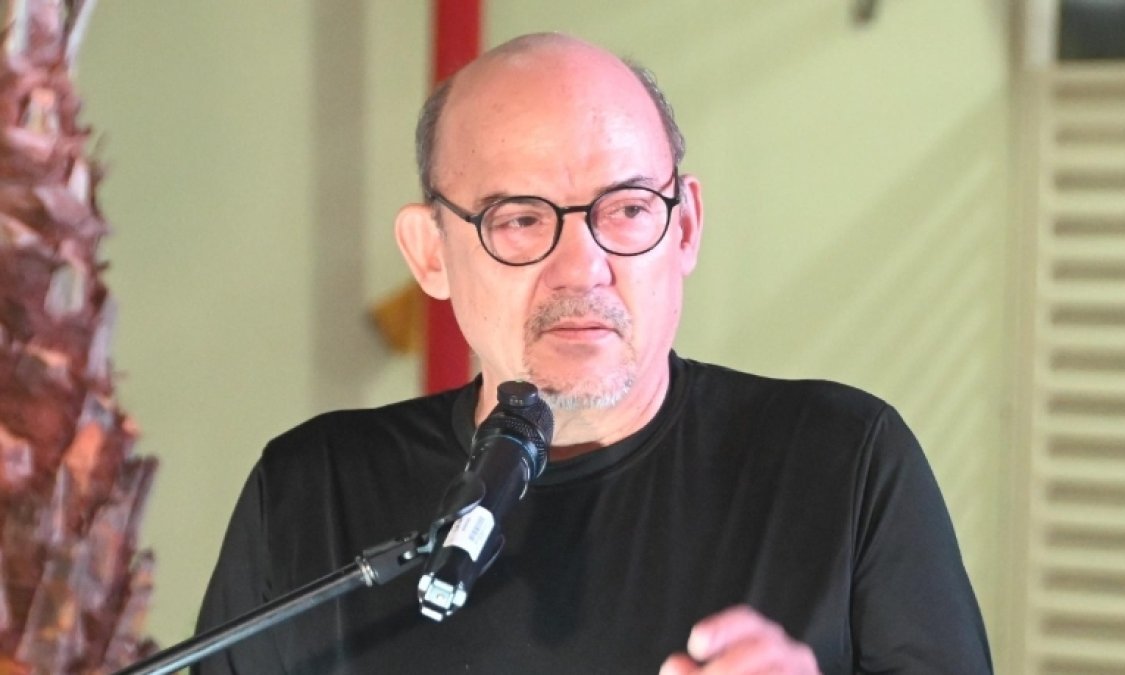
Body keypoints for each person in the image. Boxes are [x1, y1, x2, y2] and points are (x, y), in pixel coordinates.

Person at [195, 32, 992, 674]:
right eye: (520, 219)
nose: (582, 267)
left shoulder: (844, 463)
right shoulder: (311, 494)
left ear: (685, 228)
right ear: (430, 252)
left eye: (628, 209)